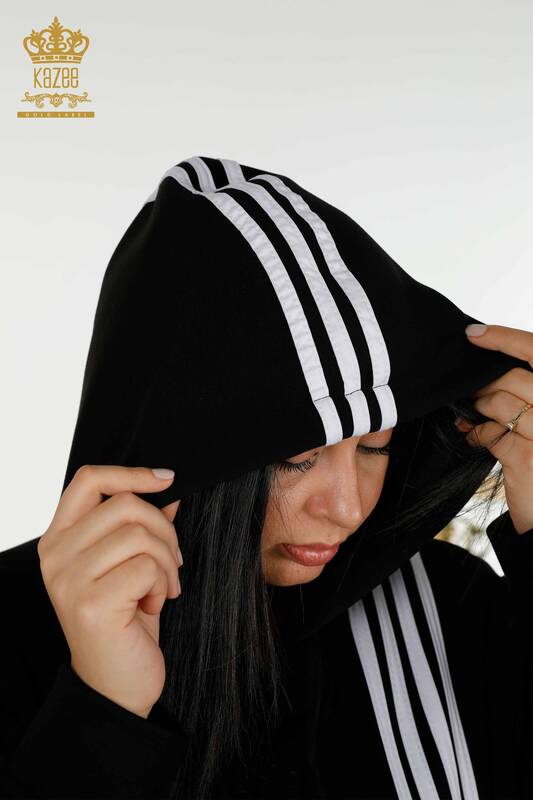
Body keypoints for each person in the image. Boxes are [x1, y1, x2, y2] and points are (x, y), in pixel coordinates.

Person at [1, 155, 533, 800]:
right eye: (296, 457)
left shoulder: (450, 607)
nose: (347, 508)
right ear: (180, 447)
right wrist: (103, 716)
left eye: (376, 446)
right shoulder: (15, 630)